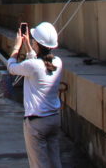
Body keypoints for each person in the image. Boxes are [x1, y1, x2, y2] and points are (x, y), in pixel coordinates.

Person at [6, 21, 63, 168]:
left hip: (37, 122)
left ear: (37, 43)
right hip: (54, 118)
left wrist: (17, 47)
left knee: (39, 164)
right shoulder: (58, 62)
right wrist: (29, 46)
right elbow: (38, 62)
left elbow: (11, 67)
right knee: (55, 160)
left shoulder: (33, 66)